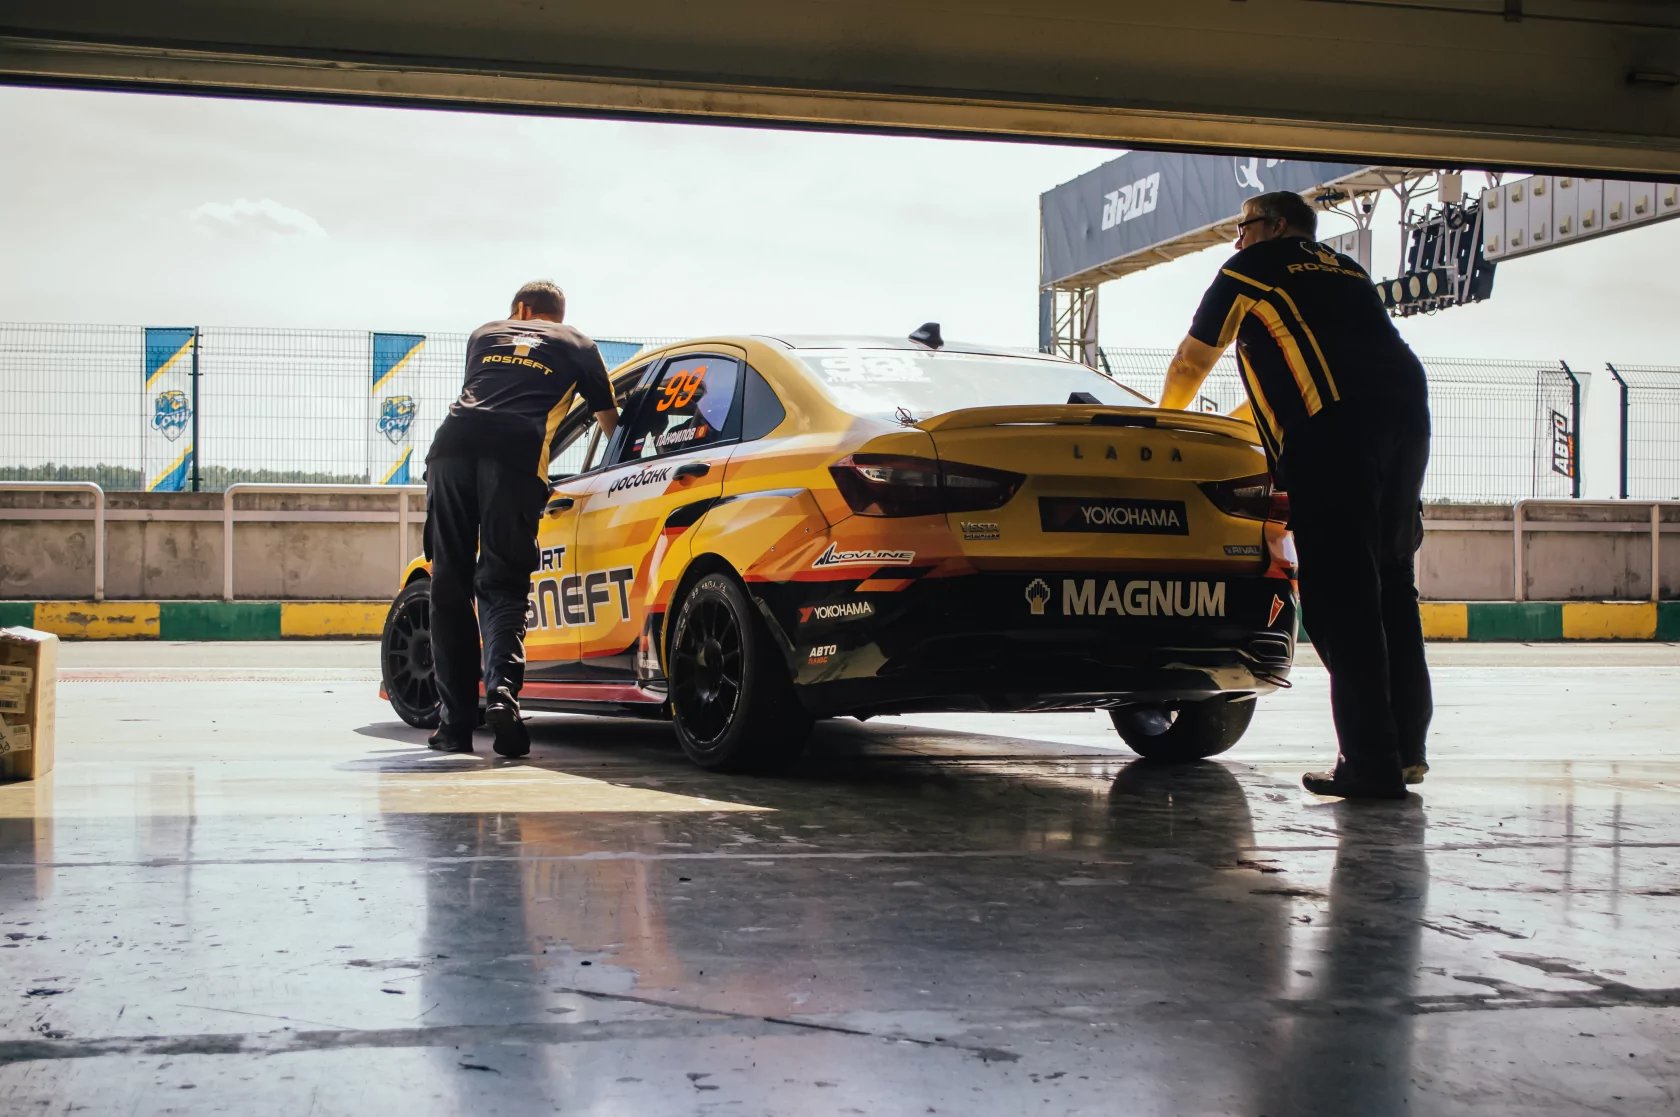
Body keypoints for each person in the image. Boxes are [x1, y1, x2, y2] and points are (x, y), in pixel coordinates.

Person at [1159, 190, 1432, 800]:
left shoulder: (1252, 267)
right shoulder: (1345, 272)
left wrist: (1165, 422)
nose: (1237, 238)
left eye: (1243, 226)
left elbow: (1191, 362)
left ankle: (1370, 764)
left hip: (1336, 431)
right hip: (1407, 416)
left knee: (1342, 597)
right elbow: (1303, 377)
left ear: (1275, 225)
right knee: (1392, 582)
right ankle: (1407, 752)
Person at [423, 281, 618, 756]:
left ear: (522, 309)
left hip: (450, 450)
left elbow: (485, 399)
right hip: (516, 459)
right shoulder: (579, 344)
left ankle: (454, 727)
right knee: (502, 583)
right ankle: (502, 695)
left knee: (449, 583)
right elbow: (610, 421)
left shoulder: (484, 333)